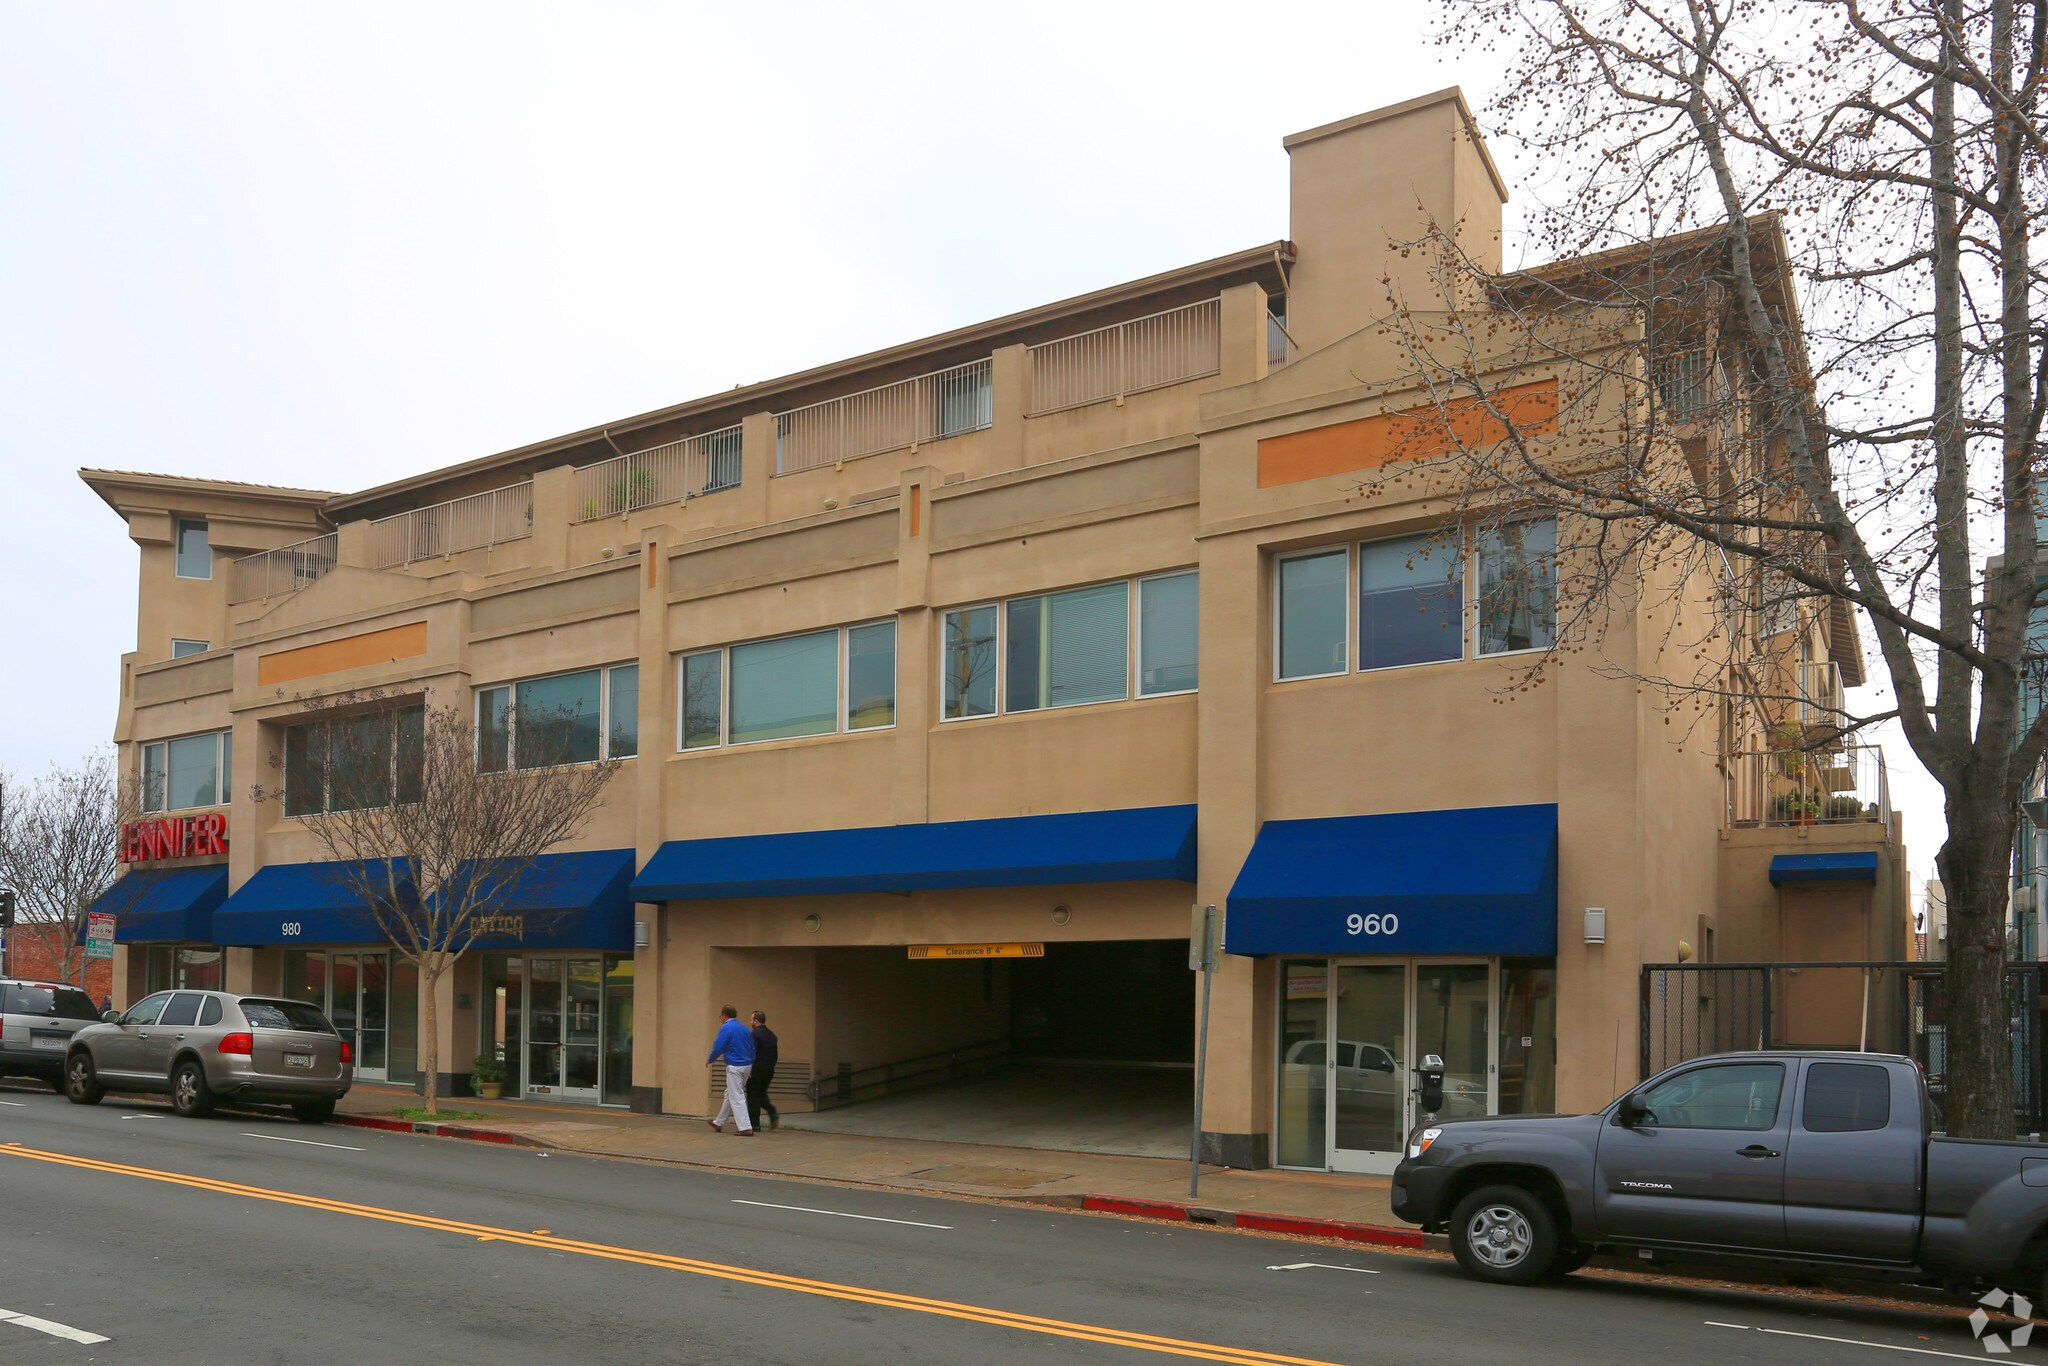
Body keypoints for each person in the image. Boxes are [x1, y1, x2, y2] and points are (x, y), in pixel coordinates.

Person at [704, 1005, 755, 1135]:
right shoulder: (744, 1028)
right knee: (730, 1093)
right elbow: (752, 1048)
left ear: (724, 1016)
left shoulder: (726, 1027)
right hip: (747, 1065)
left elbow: (718, 1046)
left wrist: (711, 1059)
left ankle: (745, 1127)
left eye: (721, 1016)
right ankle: (719, 1122)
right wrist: (752, 1064)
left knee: (736, 1096)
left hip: (735, 1065)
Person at [747, 1010, 780, 1131]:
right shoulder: (772, 1035)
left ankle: (754, 1124)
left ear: (756, 1021)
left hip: (756, 1069)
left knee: (752, 1096)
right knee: (761, 1093)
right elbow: (775, 1056)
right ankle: (772, 1113)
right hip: (769, 1070)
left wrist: (749, 1068)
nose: (750, 1022)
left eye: (751, 1020)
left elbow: (752, 1053)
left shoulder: (754, 1034)